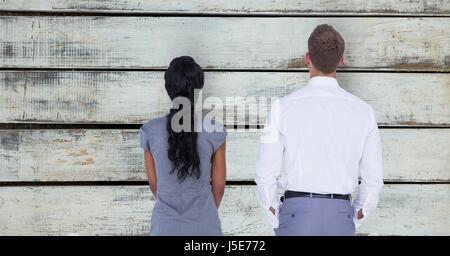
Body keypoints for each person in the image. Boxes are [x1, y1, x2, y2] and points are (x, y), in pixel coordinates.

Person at [255, 24, 383, 236]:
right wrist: (356, 216)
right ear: (341, 60)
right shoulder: (364, 112)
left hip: (295, 217)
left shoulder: (281, 108)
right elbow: (373, 180)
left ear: (307, 57)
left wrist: (275, 214)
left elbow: (265, 172)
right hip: (340, 217)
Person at [140, 56, 227, 236]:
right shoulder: (215, 131)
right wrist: (203, 213)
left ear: (168, 89)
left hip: (164, 226)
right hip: (204, 225)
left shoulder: (150, 132)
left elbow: (155, 185)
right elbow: (218, 186)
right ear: (198, 89)